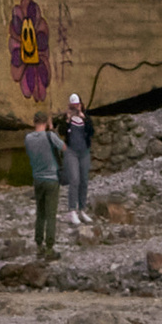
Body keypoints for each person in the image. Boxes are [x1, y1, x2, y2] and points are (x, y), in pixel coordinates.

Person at [24, 109, 64, 259]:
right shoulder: (50, 136)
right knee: (51, 215)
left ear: (34, 122)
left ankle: (38, 245)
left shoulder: (28, 138)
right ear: (46, 122)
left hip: (37, 179)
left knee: (40, 214)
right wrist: (53, 131)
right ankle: (49, 248)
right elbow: (63, 148)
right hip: (52, 179)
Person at [60, 91, 94, 233]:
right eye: (73, 106)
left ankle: (82, 209)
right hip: (71, 152)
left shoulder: (86, 118)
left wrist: (83, 118)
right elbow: (61, 131)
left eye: (77, 105)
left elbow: (91, 132)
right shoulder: (66, 118)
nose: (75, 108)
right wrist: (67, 119)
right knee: (74, 179)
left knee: (84, 180)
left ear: (81, 105)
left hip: (84, 152)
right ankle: (72, 210)